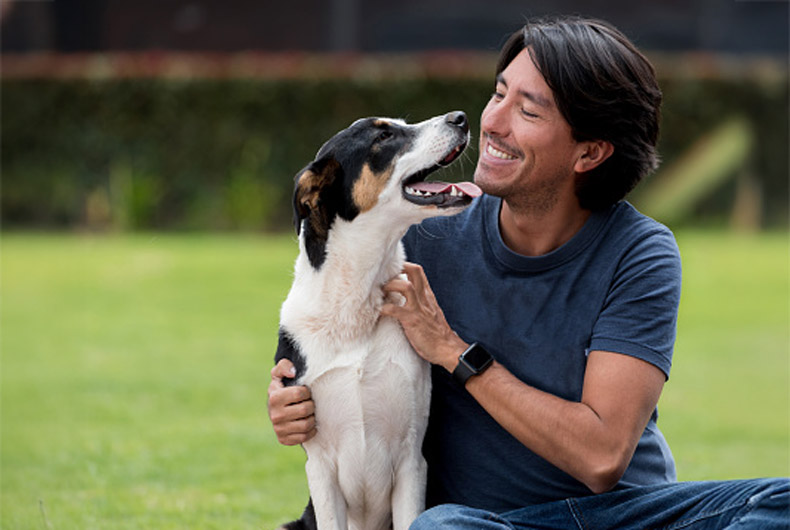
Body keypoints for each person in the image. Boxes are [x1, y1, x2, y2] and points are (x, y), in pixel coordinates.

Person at [268, 16, 789, 529]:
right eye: (498, 94)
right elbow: (340, 356)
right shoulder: (421, 233)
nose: (493, 122)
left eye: (528, 111)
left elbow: (602, 457)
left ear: (590, 152)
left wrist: (453, 352)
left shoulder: (640, 252)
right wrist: (298, 403)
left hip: (625, 517)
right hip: (486, 524)